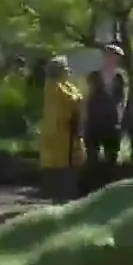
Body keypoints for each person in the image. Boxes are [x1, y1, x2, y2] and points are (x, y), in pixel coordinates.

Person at [37, 56, 84, 200]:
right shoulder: (53, 86)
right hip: (58, 135)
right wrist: (79, 99)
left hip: (69, 134)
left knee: (70, 165)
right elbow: (73, 100)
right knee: (59, 169)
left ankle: (67, 195)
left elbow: (78, 97)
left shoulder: (66, 85)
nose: (68, 73)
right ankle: (59, 196)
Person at [82, 44, 126, 177]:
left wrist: (121, 119)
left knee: (111, 156)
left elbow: (122, 100)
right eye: (108, 56)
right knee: (92, 157)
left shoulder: (120, 78)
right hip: (94, 121)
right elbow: (85, 98)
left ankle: (109, 181)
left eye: (114, 57)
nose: (111, 59)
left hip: (112, 122)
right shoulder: (93, 76)